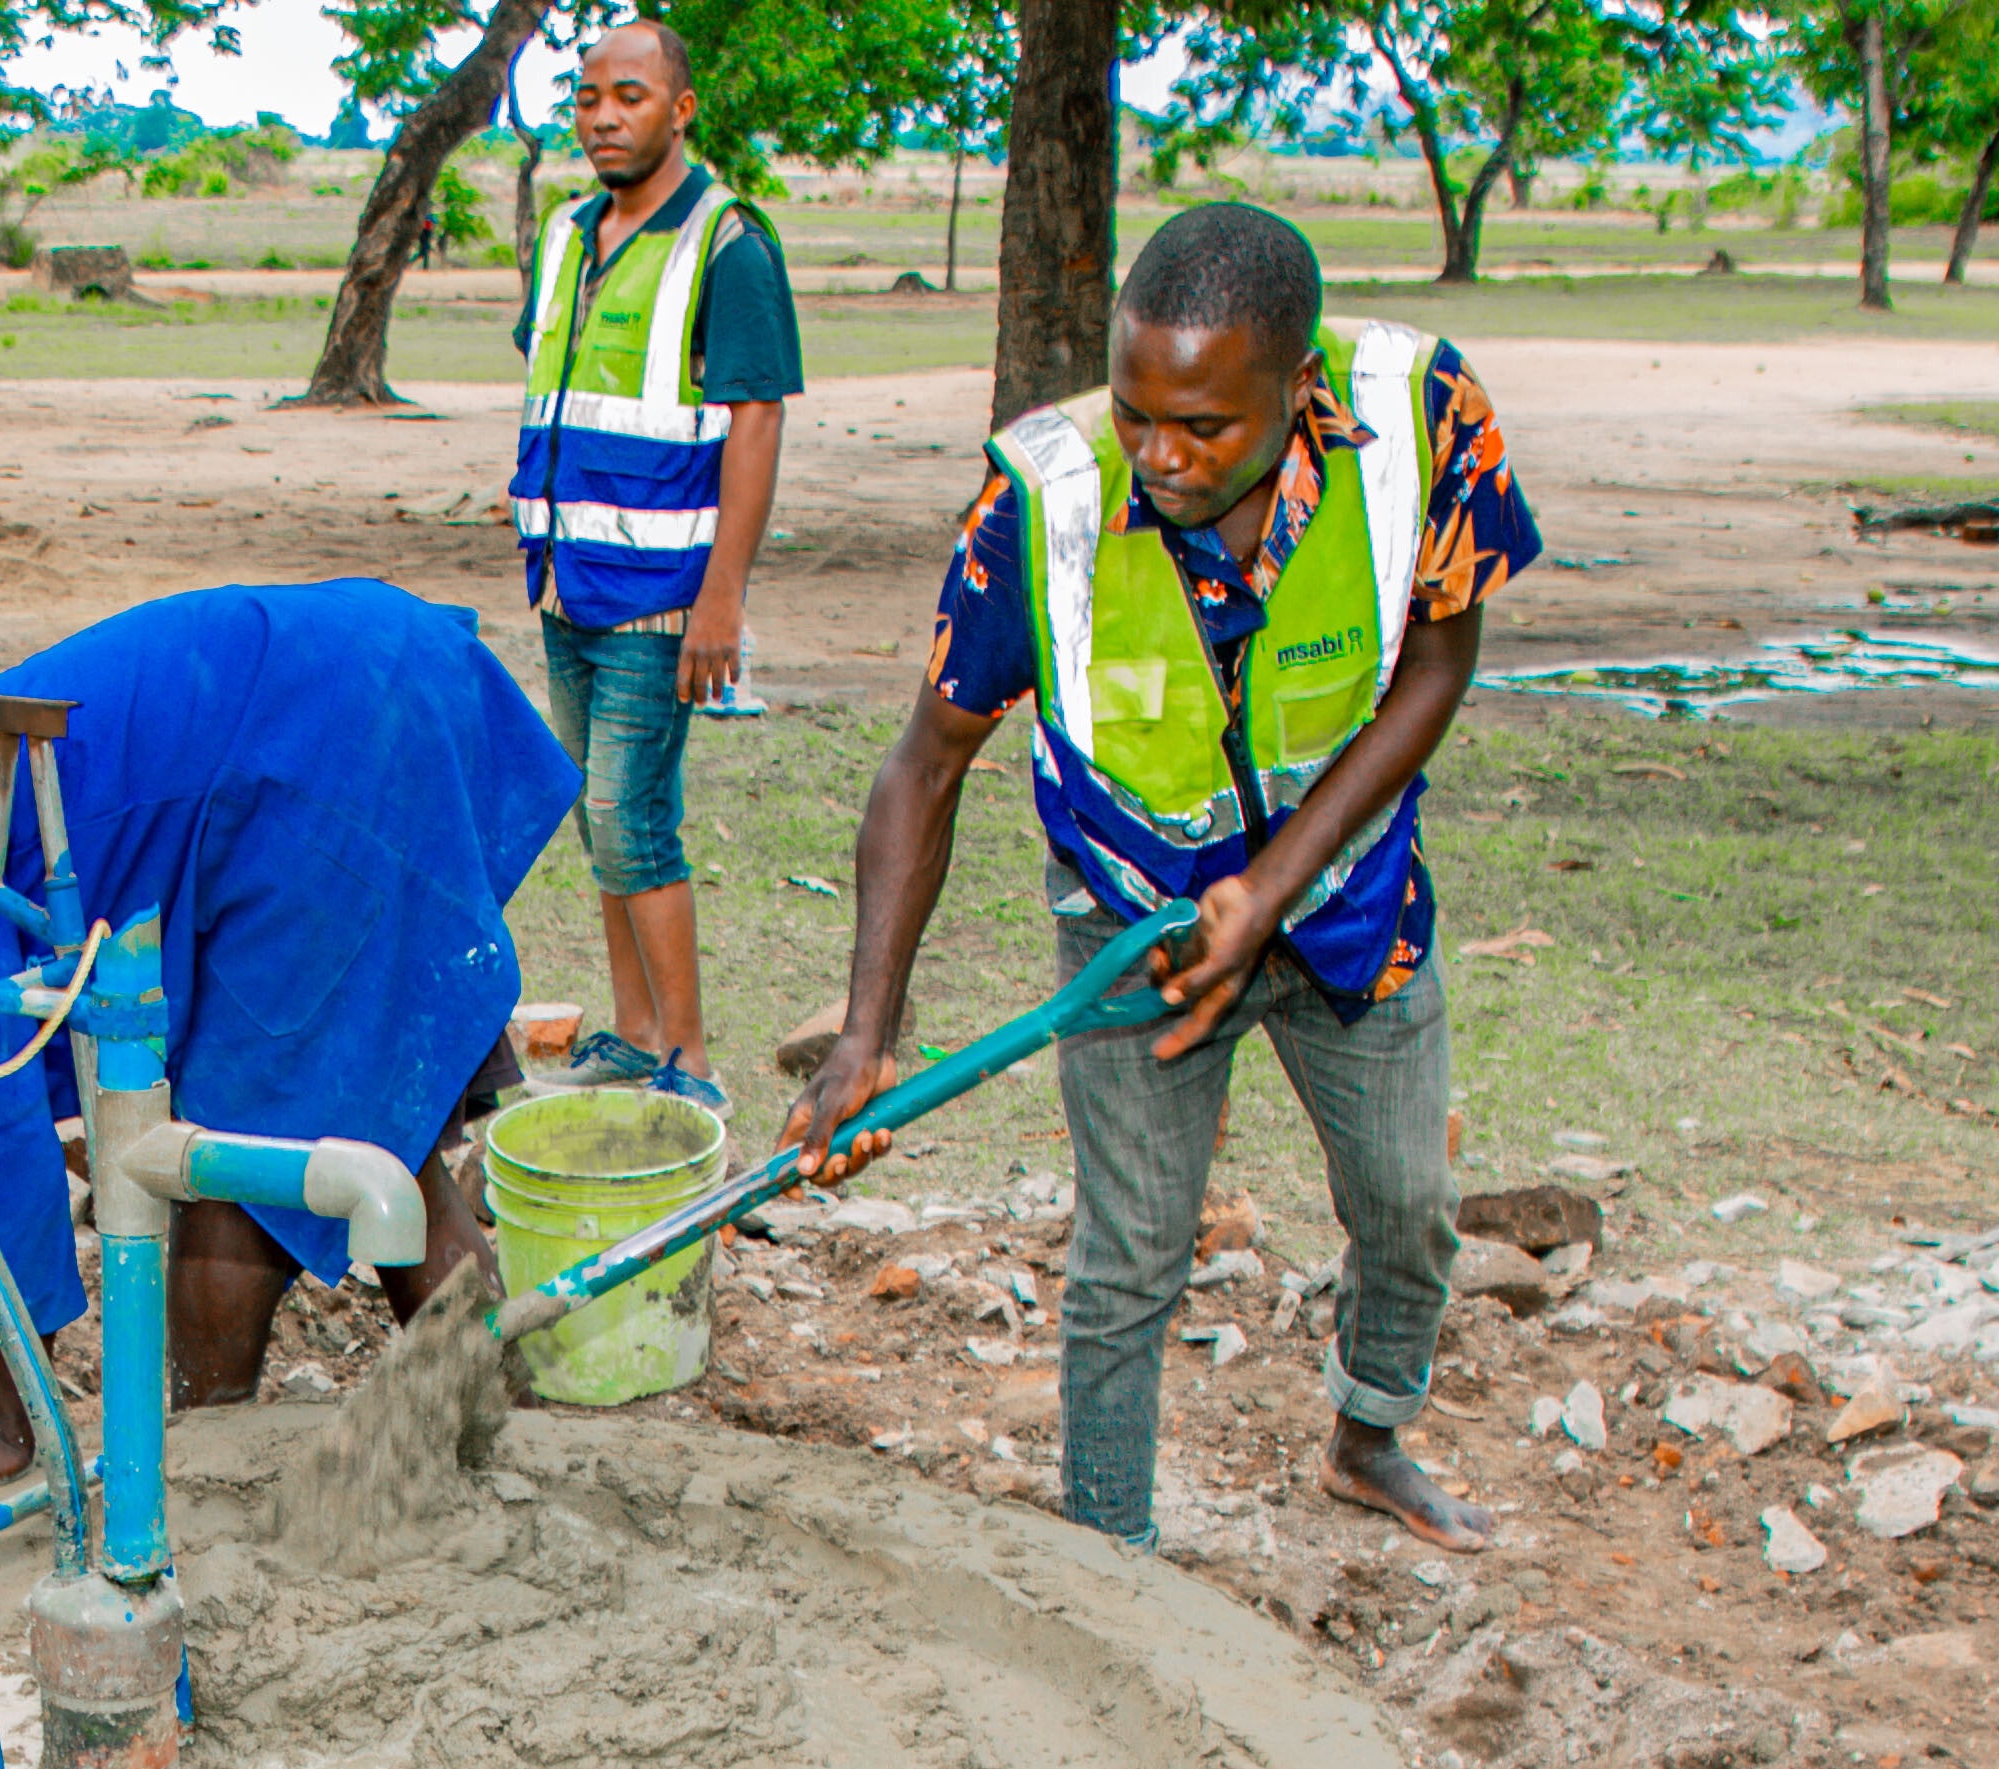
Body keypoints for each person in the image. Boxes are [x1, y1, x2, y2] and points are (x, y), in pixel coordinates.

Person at [783, 204, 1542, 1558]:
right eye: (1135, 413)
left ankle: (1368, 1437)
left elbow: (1436, 666)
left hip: (1349, 903)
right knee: (1128, 1255)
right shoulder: (1042, 503)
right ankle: (1108, 1554)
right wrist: (865, 1032)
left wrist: (1272, 890)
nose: (1160, 455)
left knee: (1406, 1210)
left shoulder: (1421, 421)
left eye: (1202, 427)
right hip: (1130, 931)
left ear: (1296, 389)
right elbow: (923, 766)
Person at [0, 581, 577, 1468]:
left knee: (230, 1171)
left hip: (322, 743)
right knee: (380, 1142)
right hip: (350, 685)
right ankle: (514, 1443)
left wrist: (15, 1421)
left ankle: (207, 1483)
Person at [508, 17, 799, 1112]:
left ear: (679, 111)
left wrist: (722, 598)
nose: (602, 117)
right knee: (598, 818)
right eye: (587, 98)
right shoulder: (566, 234)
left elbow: (756, 421)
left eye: (628, 97)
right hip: (565, 579)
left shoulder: (726, 243)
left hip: (659, 594)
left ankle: (690, 1060)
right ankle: (634, 1037)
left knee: (630, 818)